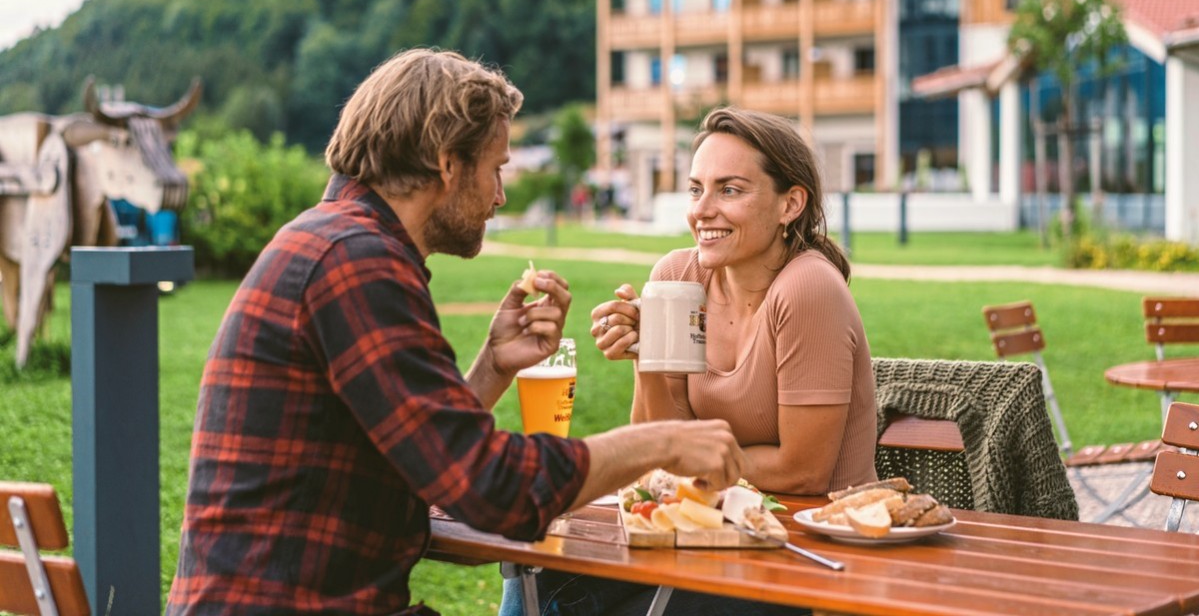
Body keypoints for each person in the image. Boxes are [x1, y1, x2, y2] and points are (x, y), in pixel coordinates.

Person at [164, 48, 746, 616]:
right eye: (496, 169)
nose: (500, 196)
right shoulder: (356, 261)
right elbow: (492, 490)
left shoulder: (336, 239)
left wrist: (492, 367)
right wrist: (662, 444)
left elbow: (422, 459)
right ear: (447, 163)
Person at [500, 106, 876, 615]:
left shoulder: (807, 288)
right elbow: (658, 443)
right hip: (709, 535)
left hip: (806, 555)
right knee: (540, 569)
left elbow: (804, 470)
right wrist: (645, 355)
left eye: (731, 190)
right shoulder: (679, 278)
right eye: (697, 188)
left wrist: (686, 460)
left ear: (791, 203)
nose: (703, 209)